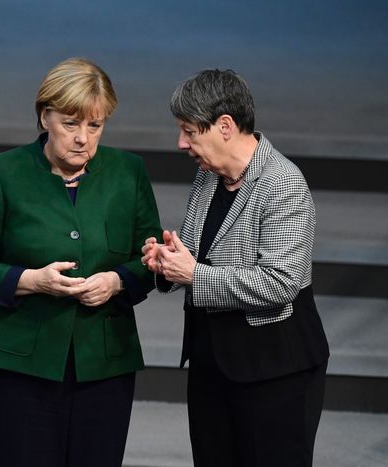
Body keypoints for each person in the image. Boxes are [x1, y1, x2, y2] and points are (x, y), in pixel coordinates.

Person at [0, 57, 162, 467]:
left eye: (95, 126)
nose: (83, 138)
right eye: (71, 123)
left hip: (104, 363)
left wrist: (117, 282)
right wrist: (31, 280)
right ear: (45, 116)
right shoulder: (2, 172)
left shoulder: (128, 172)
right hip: (19, 367)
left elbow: (147, 259)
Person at [142, 69, 330, 467]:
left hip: (275, 371)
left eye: (190, 131)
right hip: (213, 363)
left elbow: (278, 284)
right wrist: (167, 260)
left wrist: (193, 274)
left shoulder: (283, 183)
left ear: (225, 126)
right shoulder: (208, 176)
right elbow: (197, 252)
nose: (181, 143)